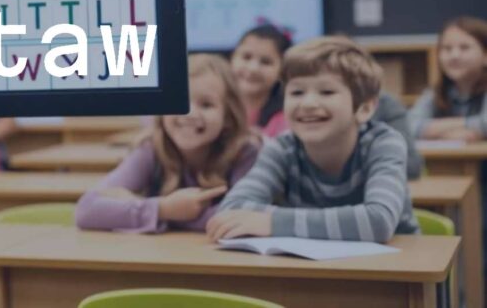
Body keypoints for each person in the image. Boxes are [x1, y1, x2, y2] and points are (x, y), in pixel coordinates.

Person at [209, 37, 419, 242]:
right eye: (297, 92)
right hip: (314, 264)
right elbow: (232, 209)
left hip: (397, 263)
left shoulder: (382, 143)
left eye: (327, 92)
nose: (308, 103)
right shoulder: (282, 148)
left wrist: (272, 222)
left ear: (365, 108)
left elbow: (378, 221)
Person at [75, 55, 259, 233]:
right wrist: (164, 208)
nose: (189, 113)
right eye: (179, 101)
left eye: (206, 104)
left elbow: (244, 216)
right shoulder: (151, 149)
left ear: (228, 117)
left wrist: (149, 209)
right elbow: (86, 209)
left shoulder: (245, 153)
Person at [408, 16, 487, 142]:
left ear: (485, 55)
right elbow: (409, 125)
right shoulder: (437, 91)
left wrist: (433, 131)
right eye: (447, 48)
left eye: (465, 48)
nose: (454, 55)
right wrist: (450, 134)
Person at [231, 24, 292, 138]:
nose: (253, 68)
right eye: (246, 57)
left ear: (282, 71)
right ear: (232, 58)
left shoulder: (286, 121)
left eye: (265, 62)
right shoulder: (216, 109)